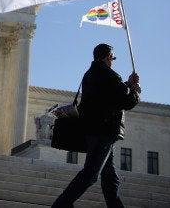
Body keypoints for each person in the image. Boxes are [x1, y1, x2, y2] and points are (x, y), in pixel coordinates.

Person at [52, 43, 141, 208]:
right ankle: (61, 204)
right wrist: (135, 90)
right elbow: (126, 101)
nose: (113, 61)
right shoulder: (110, 75)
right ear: (108, 57)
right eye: (113, 58)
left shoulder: (89, 74)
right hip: (104, 131)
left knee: (110, 177)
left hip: (93, 130)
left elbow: (109, 96)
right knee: (91, 174)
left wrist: (128, 85)